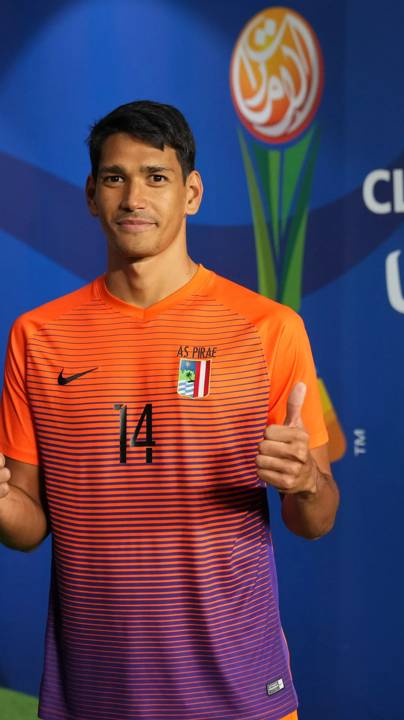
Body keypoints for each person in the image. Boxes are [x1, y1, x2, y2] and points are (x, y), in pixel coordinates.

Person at [0, 100, 339, 720]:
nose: (134, 196)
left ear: (192, 192)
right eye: (114, 177)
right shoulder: (36, 336)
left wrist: (309, 481)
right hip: (93, 693)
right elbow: (27, 526)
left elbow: (313, 520)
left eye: (156, 176)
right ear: (91, 195)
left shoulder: (269, 328)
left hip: (239, 693)